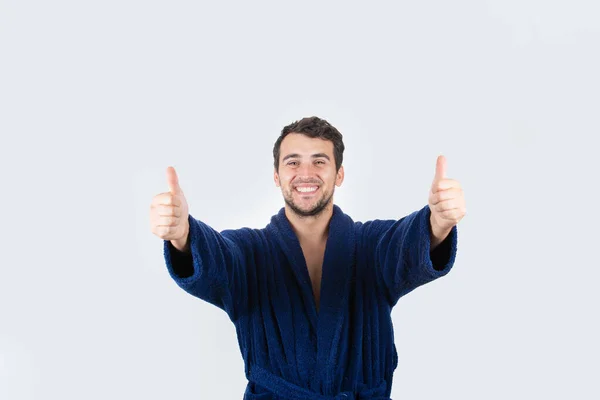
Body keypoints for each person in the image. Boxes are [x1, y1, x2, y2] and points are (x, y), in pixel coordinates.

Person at [149, 116, 466, 399]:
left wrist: (436, 223)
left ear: (338, 174)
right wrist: (183, 234)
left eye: (319, 162)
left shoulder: (371, 247)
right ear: (276, 176)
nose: (305, 173)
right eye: (292, 162)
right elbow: (217, 260)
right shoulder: (250, 252)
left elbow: (404, 247)